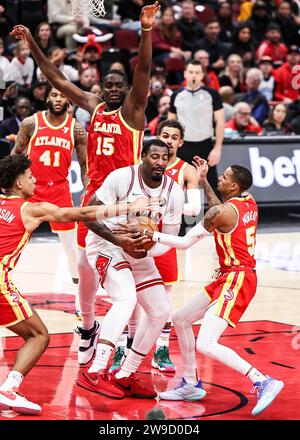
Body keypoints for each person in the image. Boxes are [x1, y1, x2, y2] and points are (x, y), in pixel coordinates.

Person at [10, 1, 161, 363]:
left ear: (126, 89)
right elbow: (57, 79)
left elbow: (143, 68)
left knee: (127, 276)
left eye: (117, 85)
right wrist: (32, 44)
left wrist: (145, 30)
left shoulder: (134, 110)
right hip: (93, 197)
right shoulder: (93, 106)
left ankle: (124, 337)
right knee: (83, 268)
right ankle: (89, 325)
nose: (110, 89)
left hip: (126, 201)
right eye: (106, 84)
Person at [0, 154, 153, 415]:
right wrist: (127, 207)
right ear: (18, 182)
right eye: (29, 176)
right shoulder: (30, 209)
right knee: (38, 336)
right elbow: (81, 213)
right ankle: (9, 390)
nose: (34, 179)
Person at [143, 157, 284, 417]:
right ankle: (190, 383)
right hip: (229, 275)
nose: (222, 177)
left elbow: (185, 243)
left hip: (238, 279)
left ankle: (262, 380)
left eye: (225, 177)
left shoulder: (220, 213)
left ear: (234, 187)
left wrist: (152, 235)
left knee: (206, 343)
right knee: (181, 318)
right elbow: (220, 208)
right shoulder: (247, 200)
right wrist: (204, 180)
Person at [77, 139, 184, 399]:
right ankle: (97, 368)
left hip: (138, 250)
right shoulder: (122, 177)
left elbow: (170, 236)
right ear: (142, 156)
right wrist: (119, 240)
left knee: (161, 310)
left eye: (164, 157)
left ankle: (125, 373)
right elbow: (88, 215)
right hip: (105, 242)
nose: (160, 162)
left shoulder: (174, 191)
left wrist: (146, 250)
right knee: (126, 298)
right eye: (154, 156)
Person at [109, 120, 200, 374]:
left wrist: (162, 204)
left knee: (165, 299)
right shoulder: (142, 166)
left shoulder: (187, 171)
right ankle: (122, 347)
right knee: (131, 299)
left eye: (174, 137)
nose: (169, 141)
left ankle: (161, 349)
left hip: (164, 239)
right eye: (165, 135)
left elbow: (194, 212)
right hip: (136, 237)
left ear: (180, 143)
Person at [11, 86, 87, 315]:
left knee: (72, 248)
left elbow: (84, 164)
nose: (57, 98)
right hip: (30, 189)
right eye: (54, 95)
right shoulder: (31, 123)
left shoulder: (75, 128)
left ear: (69, 101)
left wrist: (86, 188)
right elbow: (15, 154)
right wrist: (9, 186)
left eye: (62, 95)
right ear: (46, 98)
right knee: (11, 240)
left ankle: (79, 299)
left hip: (60, 191)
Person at [168, 59, 224, 192]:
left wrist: (217, 148)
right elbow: (171, 125)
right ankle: (187, 213)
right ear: (185, 74)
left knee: (211, 187)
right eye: (191, 72)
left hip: (205, 145)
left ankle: (216, 213)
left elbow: (220, 122)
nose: (194, 75)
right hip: (183, 146)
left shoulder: (212, 94)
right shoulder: (176, 95)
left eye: (197, 72)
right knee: (182, 186)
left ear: (202, 74)